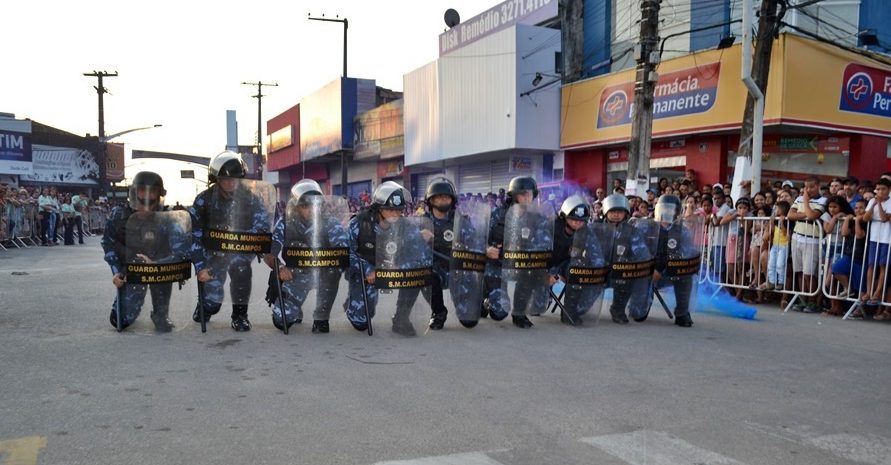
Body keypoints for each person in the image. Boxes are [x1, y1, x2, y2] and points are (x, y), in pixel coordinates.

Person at [190, 151, 273, 331]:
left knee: (242, 270)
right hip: (213, 255)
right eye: (225, 178)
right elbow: (194, 234)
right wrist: (200, 267)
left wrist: (253, 244)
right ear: (216, 179)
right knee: (213, 304)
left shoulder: (251, 199)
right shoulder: (203, 200)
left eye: (234, 178)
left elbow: (262, 227)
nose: (230, 182)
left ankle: (240, 315)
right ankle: (204, 304)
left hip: (239, 252)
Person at [100, 172, 188, 331]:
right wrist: (115, 271)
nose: (146, 196)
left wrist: (156, 264)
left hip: (159, 269)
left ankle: (160, 314)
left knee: (163, 326)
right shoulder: (119, 215)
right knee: (119, 320)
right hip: (131, 269)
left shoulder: (169, 218)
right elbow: (108, 243)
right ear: (134, 193)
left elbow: (181, 252)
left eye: (152, 191)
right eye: (142, 191)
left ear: (159, 195)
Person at [265, 179, 348, 333]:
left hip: (322, 272)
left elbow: (342, 249)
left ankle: (321, 317)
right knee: (281, 321)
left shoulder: (330, 223)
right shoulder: (285, 223)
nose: (310, 209)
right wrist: (280, 267)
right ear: (296, 208)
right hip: (295, 274)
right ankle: (294, 307)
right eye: (305, 206)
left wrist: (336, 263)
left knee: (333, 272)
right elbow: (270, 251)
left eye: (314, 204)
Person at [344, 181, 423, 334]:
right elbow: (347, 253)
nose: (395, 215)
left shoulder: (405, 226)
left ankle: (401, 317)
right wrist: (368, 270)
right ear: (378, 208)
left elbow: (418, 253)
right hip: (367, 273)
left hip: (393, 269)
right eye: (390, 210)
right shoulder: (359, 224)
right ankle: (353, 300)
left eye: (399, 210)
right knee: (361, 322)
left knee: (418, 274)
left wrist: (402, 267)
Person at [484, 176, 551, 329]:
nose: (527, 197)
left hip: (521, 263)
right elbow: (479, 237)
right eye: (523, 193)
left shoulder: (538, 219)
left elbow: (544, 245)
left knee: (529, 273)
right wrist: (487, 249)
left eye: (530, 194)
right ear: (513, 196)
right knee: (499, 313)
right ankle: (485, 295)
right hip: (496, 265)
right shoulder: (497, 215)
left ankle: (519, 313)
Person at [549, 195, 603, 325]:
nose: (578, 223)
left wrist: (596, 275)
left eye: (581, 220)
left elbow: (597, 257)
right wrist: (546, 274)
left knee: (582, 269)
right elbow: (537, 253)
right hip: (547, 267)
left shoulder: (587, 232)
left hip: (570, 268)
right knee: (537, 305)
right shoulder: (551, 228)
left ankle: (570, 311)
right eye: (573, 219)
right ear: (564, 216)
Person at [603, 194, 654, 324]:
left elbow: (642, 254)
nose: (615, 215)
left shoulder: (632, 231)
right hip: (599, 270)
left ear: (625, 214)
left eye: (619, 212)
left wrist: (636, 268)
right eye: (612, 211)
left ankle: (618, 309)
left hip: (620, 271)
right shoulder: (597, 227)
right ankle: (577, 307)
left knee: (626, 276)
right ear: (606, 212)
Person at [652, 195, 697, 327]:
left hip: (668, 272)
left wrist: (661, 271)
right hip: (647, 272)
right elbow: (640, 252)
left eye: (671, 209)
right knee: (639, 314)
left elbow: (685, 254)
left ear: (677, 212)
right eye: (664, 208)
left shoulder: (683, 231)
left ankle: (682, 312)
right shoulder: (648, 227)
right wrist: (650, 270)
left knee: (685, 274)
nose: (667, 212)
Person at [422, 177, 458, 330]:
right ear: (431, 200)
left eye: (447, 197)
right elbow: (406, 246)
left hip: (457, 267)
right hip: (435, 268)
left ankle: (481, 298)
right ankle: (438, 312)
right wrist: (417, 236)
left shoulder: (460, 220)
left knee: (469, 320)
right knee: (425, 275)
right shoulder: (422, 222)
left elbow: (474, 242)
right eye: (439, 197)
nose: (444, 199)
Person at [788, 176, 828, 313]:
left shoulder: (823, 201)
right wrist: (806, 212)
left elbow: (813, 216)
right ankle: (803, 299)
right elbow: (790, 215)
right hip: (797, 237)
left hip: (812, 240)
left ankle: (813, 301)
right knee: (799, 272)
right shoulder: (798, 199)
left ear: (818, 186)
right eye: (806, 187)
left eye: (811, 187)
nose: (808, 190)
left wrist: (805, 202)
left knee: (809, 273)